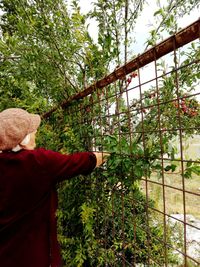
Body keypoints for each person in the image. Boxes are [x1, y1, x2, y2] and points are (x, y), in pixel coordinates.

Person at [0, 108, 109, 267]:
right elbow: (78, 162)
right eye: (32, 130)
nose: (36, 131)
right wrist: (108, 154)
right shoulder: (38, 161)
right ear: (22, 138)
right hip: (36, 256)